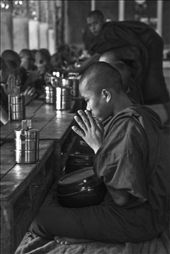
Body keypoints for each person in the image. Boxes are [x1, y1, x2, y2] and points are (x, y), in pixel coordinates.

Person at [30, 62, 170, 244]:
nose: (87, 108)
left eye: (87, 99)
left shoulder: (128, 127)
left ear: (105, 94)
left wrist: (99, 149)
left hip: (136, 220)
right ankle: (86, 232)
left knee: (38, 220)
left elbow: (121, 198)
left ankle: (90, 236)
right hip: (154, 211)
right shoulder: (139, 113)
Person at [69, 10, 170, 125]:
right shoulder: (102, 36)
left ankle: (164, 113)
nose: (93, 28)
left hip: (150, 43)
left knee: (152, 81)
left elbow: (98, 55)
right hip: (134, 54)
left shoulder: (109, 31)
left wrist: (77, 69)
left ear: (103, 21)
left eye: (95, 23)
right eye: (90, 25)